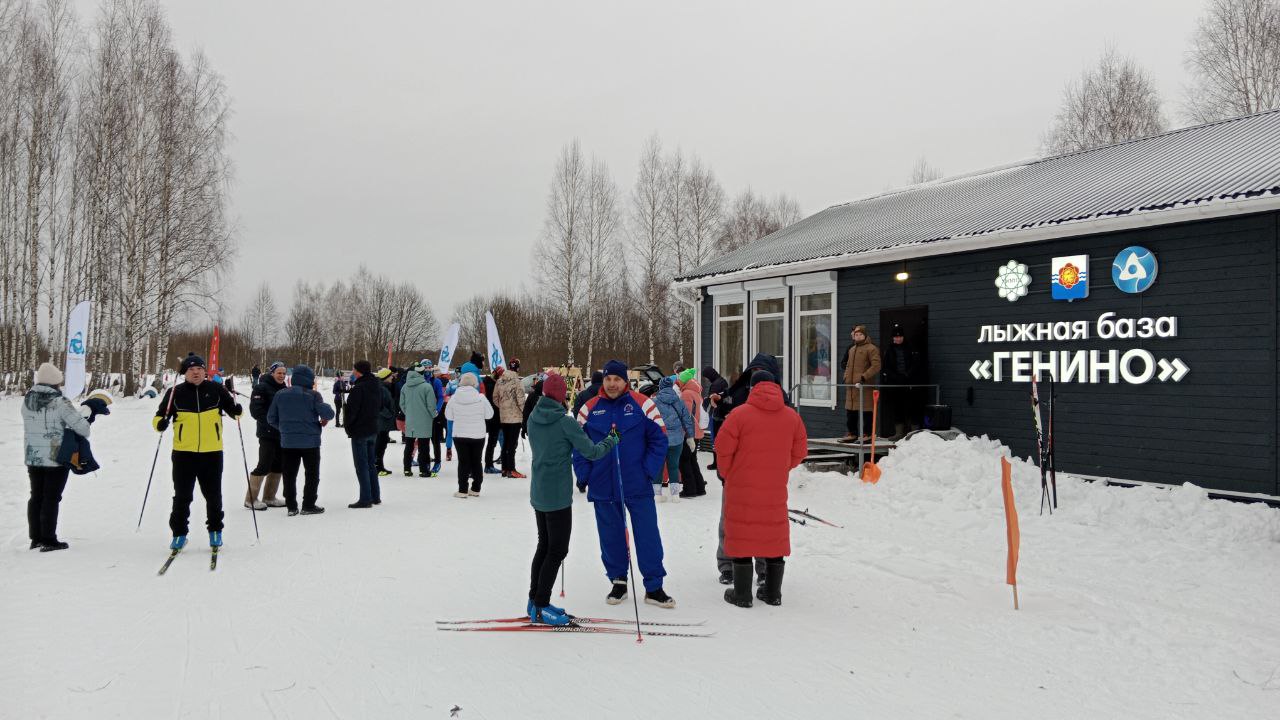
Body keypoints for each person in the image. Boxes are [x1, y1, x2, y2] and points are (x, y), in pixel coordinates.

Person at [573, 360, 676, 609]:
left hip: (636, 484)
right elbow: (578, 445)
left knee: (648, 535)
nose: (611, 384)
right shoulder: (588, 409)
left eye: (616, 379)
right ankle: (618, 581)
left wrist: (648, 471)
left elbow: (659, 440)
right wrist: (585, 474)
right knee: (611, 537)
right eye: (608, 379)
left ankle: (654, 587)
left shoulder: (643, 404)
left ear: (625, 381)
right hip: (603, 486)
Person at [524, 372, 618, 625]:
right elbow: (592, 451)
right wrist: (611, 440)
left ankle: (534, 600)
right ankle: (541, 605)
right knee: (557, 549)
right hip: (557, 496)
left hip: (539, 491)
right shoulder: (565, 422)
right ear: (561, 396)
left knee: (544, 545)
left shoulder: (534, 416)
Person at [716, 371, 808, 607]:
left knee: (742, 533)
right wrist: (779, 469)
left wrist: (728, 474)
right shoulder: (792, 417)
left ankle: (742, 594)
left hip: (741, 485)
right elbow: (799, 452)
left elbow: (723, 449)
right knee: (772, 533)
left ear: (752, 388)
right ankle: (772, 593)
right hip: (774, 485)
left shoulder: (739, 415)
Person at [711, 353, 789, 584]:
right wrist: (725, 472)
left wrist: (778, 468)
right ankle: (728, 566)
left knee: (766, 524)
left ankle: (764, 569)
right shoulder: (737, 394)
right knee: (731, 521)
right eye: (753, 372)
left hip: (767, 476)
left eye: (761, 372)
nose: (757, 377)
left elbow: (795, 445)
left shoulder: (782, 401)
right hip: (738, 474)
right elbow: (723, 439)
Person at [153, 353, 243, 550]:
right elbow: (160, 416)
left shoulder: (217, 389)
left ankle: (215, 531)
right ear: (185, 373)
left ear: (205, 371)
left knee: (213, 495)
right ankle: (179, 534)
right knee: (182, 496)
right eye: (192, 369)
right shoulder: (174, 393)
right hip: (184, 453)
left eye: (200, 369)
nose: (196, 372)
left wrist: (237, 411)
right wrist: (160, 424)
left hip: (212, 452)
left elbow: (233, 410)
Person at [21, 362, 92, 551]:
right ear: (55, 383)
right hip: (56, 457)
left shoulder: (27, 400)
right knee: (51, 498)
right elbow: (83, 429)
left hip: (33, 456)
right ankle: (49, 539)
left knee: (36, 496)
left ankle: (35, 538)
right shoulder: (61, 402)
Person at [267, 364, 334, 515]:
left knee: (289, 475)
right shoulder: (313, 395)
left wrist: (284, 429)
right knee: (311, 474)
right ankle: (308, 505)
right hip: (310, 442)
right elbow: (329, 414)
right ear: (309, 379)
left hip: (288, 442)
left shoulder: (280, 394)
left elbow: (271, 418)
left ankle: (291, 506)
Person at [247, 362, 288, 510]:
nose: (281, 376)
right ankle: (250, 499)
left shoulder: (284, 388)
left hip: (281, 433)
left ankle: (269, 497)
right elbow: (256, 411)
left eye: (284, 373)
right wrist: (271, 422)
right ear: (272, 373)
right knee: (264, 464)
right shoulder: (261, 387)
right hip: (267, 433)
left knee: (278, 465)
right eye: (279, 373)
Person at [445, 372, 492, 497]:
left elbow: (448, 416)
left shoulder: (454, 398)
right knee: (476, 461)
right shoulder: (481, 398)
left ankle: (462, 490)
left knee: (463, 461)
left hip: (460, 435)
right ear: (474, 384)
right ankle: (476, 488)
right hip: (478, 435)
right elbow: (490, 415)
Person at [343, 360, 382, 508]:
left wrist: (348, 427)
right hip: (373, 428)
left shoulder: (359, 388)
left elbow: (351, 412)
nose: (352, 372)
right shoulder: (376, 385)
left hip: (360, 431)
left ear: (358, 371)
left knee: (362, 466)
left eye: (354, 370)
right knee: (371, 464)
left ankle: (366, 498)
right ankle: (375, 496)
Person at [651, 375, 695, 502]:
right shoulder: (679, 401)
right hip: (677, 440)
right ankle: (675, 495)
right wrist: (690, 437)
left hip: (659, 440)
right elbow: (687, 419)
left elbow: (648, 421)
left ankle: (657, 495)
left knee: (658, 466)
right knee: (674, 466)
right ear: (671, 386)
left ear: (660, 387)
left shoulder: (654, 402)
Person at [841, 324, 881, 443]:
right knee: (851, 411)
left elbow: (876, 365)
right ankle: (852, 433)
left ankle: (867, 434)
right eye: (856, 335)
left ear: (865, 335)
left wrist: (864, 377)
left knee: (866, 411)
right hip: (851, 386)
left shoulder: (871, 348)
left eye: (860, 334)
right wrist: (846, 377)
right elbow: (847, 366)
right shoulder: (852, 349)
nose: (858, 337)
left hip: (864, 386)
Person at [881, 324, 922, 439]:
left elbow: (916, 364)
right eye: (895, 337)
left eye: (900, 336)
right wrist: (895, 376)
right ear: (893, 338)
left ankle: (914, 432)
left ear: (903, 337)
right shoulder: (889, 350)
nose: (898, 338)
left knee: (912, 406)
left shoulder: (911, 348)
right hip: (895, 383)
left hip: (910, 383)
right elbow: (886, 367)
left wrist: (907, 374)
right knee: (897, 407)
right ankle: (899, 433)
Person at [400, 366, 438, 477]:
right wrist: (434, 415)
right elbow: (431, 405)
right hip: (424, 420)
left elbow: (401, 404)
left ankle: (407, 469)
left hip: (411, 419)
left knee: (409, 445)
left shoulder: (405, 386)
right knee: (424, 446)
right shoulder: (427, 386)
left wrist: (409, 413)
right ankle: (423, 470)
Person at [676, 368, 707, 498]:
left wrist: (683, 432)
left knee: (684, 460)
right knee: (692, 460)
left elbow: (686, 415)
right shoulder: (696, 392)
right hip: (696, 431)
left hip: (689, 433)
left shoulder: (686, 394)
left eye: (679, 381)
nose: (678, 383)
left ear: (684, 381)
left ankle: (689, 489)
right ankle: (699, 487)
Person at [494, 363, 527, 478]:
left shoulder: (499, 381)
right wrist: (524, 413)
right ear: (517, 369)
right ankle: (511, 469)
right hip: (515, 417)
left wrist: (503, 407)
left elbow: (495, 398)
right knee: (512, 444)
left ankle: (504, 468)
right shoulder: (517, 382)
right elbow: (521, 401)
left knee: (506, 443)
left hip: (504, 416)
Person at [701, 366, 729, 470]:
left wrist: (705, 401)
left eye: (707, 377)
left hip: (715, 415)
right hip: (723, 414)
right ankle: (721, 462)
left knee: (715, 440)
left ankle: (716, 463)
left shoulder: (716, 385)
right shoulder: (723, 381)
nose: (707, 379)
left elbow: (711, 401)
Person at [374, 368, 397, 476]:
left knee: (382, 445)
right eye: (391, 376)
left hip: (383, 422)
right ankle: (377, 467)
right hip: (381, 422)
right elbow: (379, 406)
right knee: (379, 445)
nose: (393, 377)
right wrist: (389, 414)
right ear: (385, 377)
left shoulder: (384, 387)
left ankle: (380, 465)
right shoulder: (381, 389)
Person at [481, 369, 502, 474]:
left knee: (484, 442)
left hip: (485, 417)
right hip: (494, 417)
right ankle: (488, 465)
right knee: (491, 442)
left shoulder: (485, 382)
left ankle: (487, 464)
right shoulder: (493, 385)